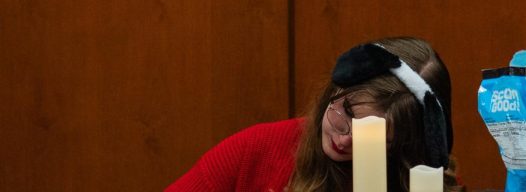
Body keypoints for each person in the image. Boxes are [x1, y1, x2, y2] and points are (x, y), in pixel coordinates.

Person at [167, 36, 460, 191]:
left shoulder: (420, 181)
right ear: (336, 89)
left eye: (369, 136)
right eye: (346, 113)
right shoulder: (257, 149)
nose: (344, 140)